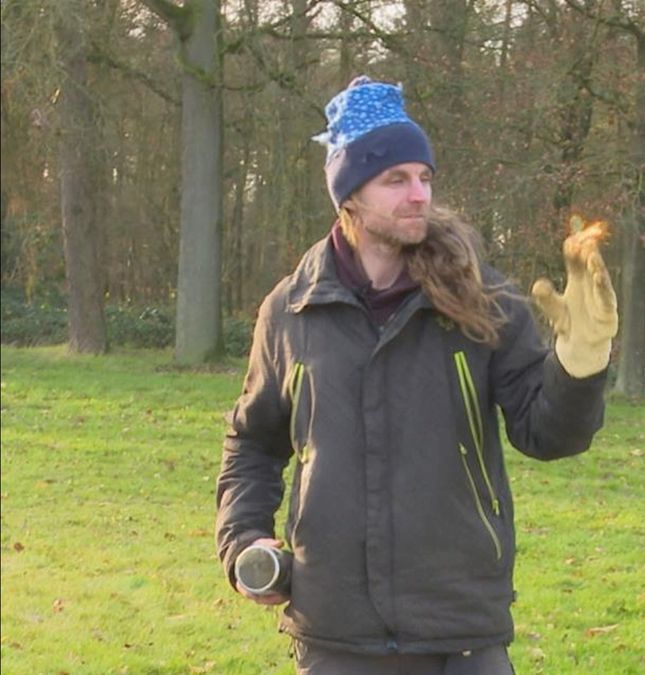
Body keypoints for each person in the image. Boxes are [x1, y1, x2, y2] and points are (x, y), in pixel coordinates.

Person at [215, 76, 618, 674]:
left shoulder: (482, 300)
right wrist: (244, 541)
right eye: (395, 179)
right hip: (335, 630)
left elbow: (547, 435)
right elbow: (253, 442)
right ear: (348, 194)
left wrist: (580, 366)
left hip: (461, 627)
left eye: (425, 177)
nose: (419, 195)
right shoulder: (291, 310)